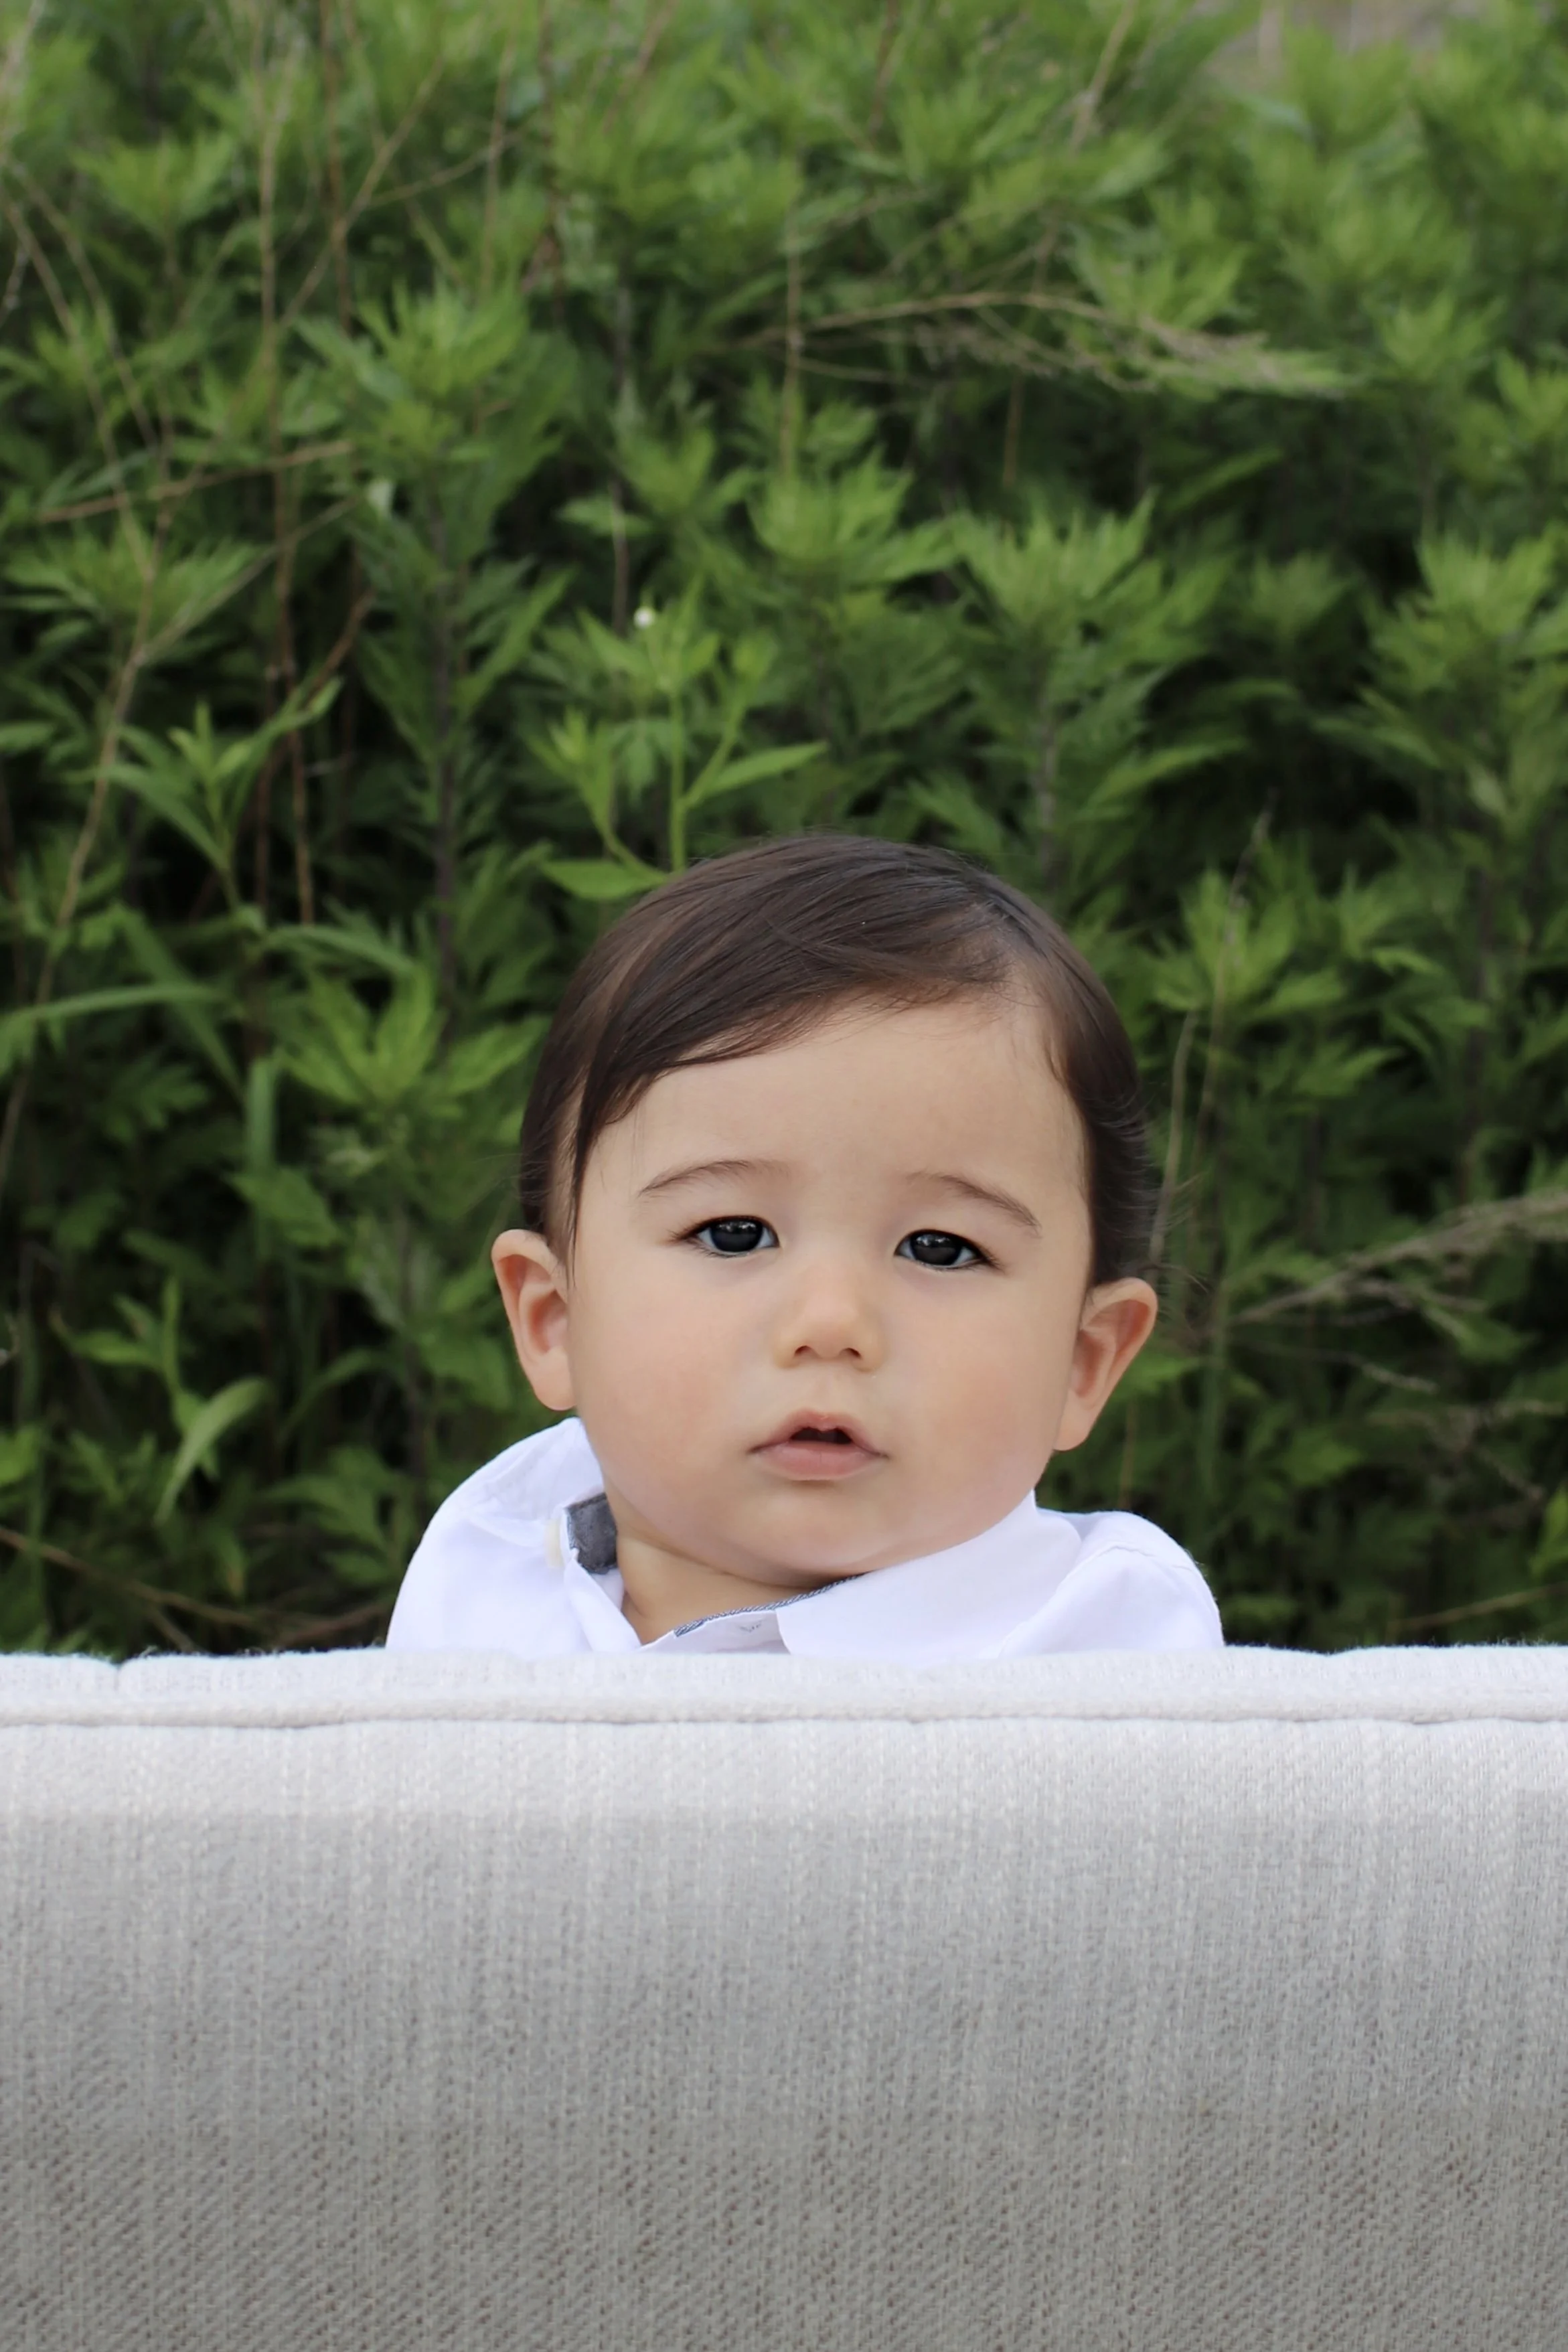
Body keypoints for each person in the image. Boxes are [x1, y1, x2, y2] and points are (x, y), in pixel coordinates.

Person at [385, 834, 1221, 1660]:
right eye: (733, 1234)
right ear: (554, 1319)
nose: (830, 1322)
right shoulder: (483, 1588)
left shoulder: (1102, 1648)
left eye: (938, 1248)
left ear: (1083, 1360)